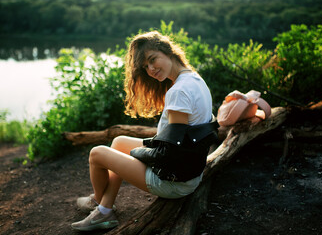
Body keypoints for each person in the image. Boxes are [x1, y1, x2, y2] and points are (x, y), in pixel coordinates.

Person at [71, 31, 216, 232]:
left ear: (168, 51)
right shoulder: (194, 79)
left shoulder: (179, 92)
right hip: (189, 171)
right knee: (120, 142)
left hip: (174, 181)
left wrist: (141, 153)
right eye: (145, 66)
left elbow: (172, 152)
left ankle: (99, 204)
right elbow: (179, 142)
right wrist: (140, 150)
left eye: (152, 59)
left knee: (97, 153)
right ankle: (103, 207)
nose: (151, 69)